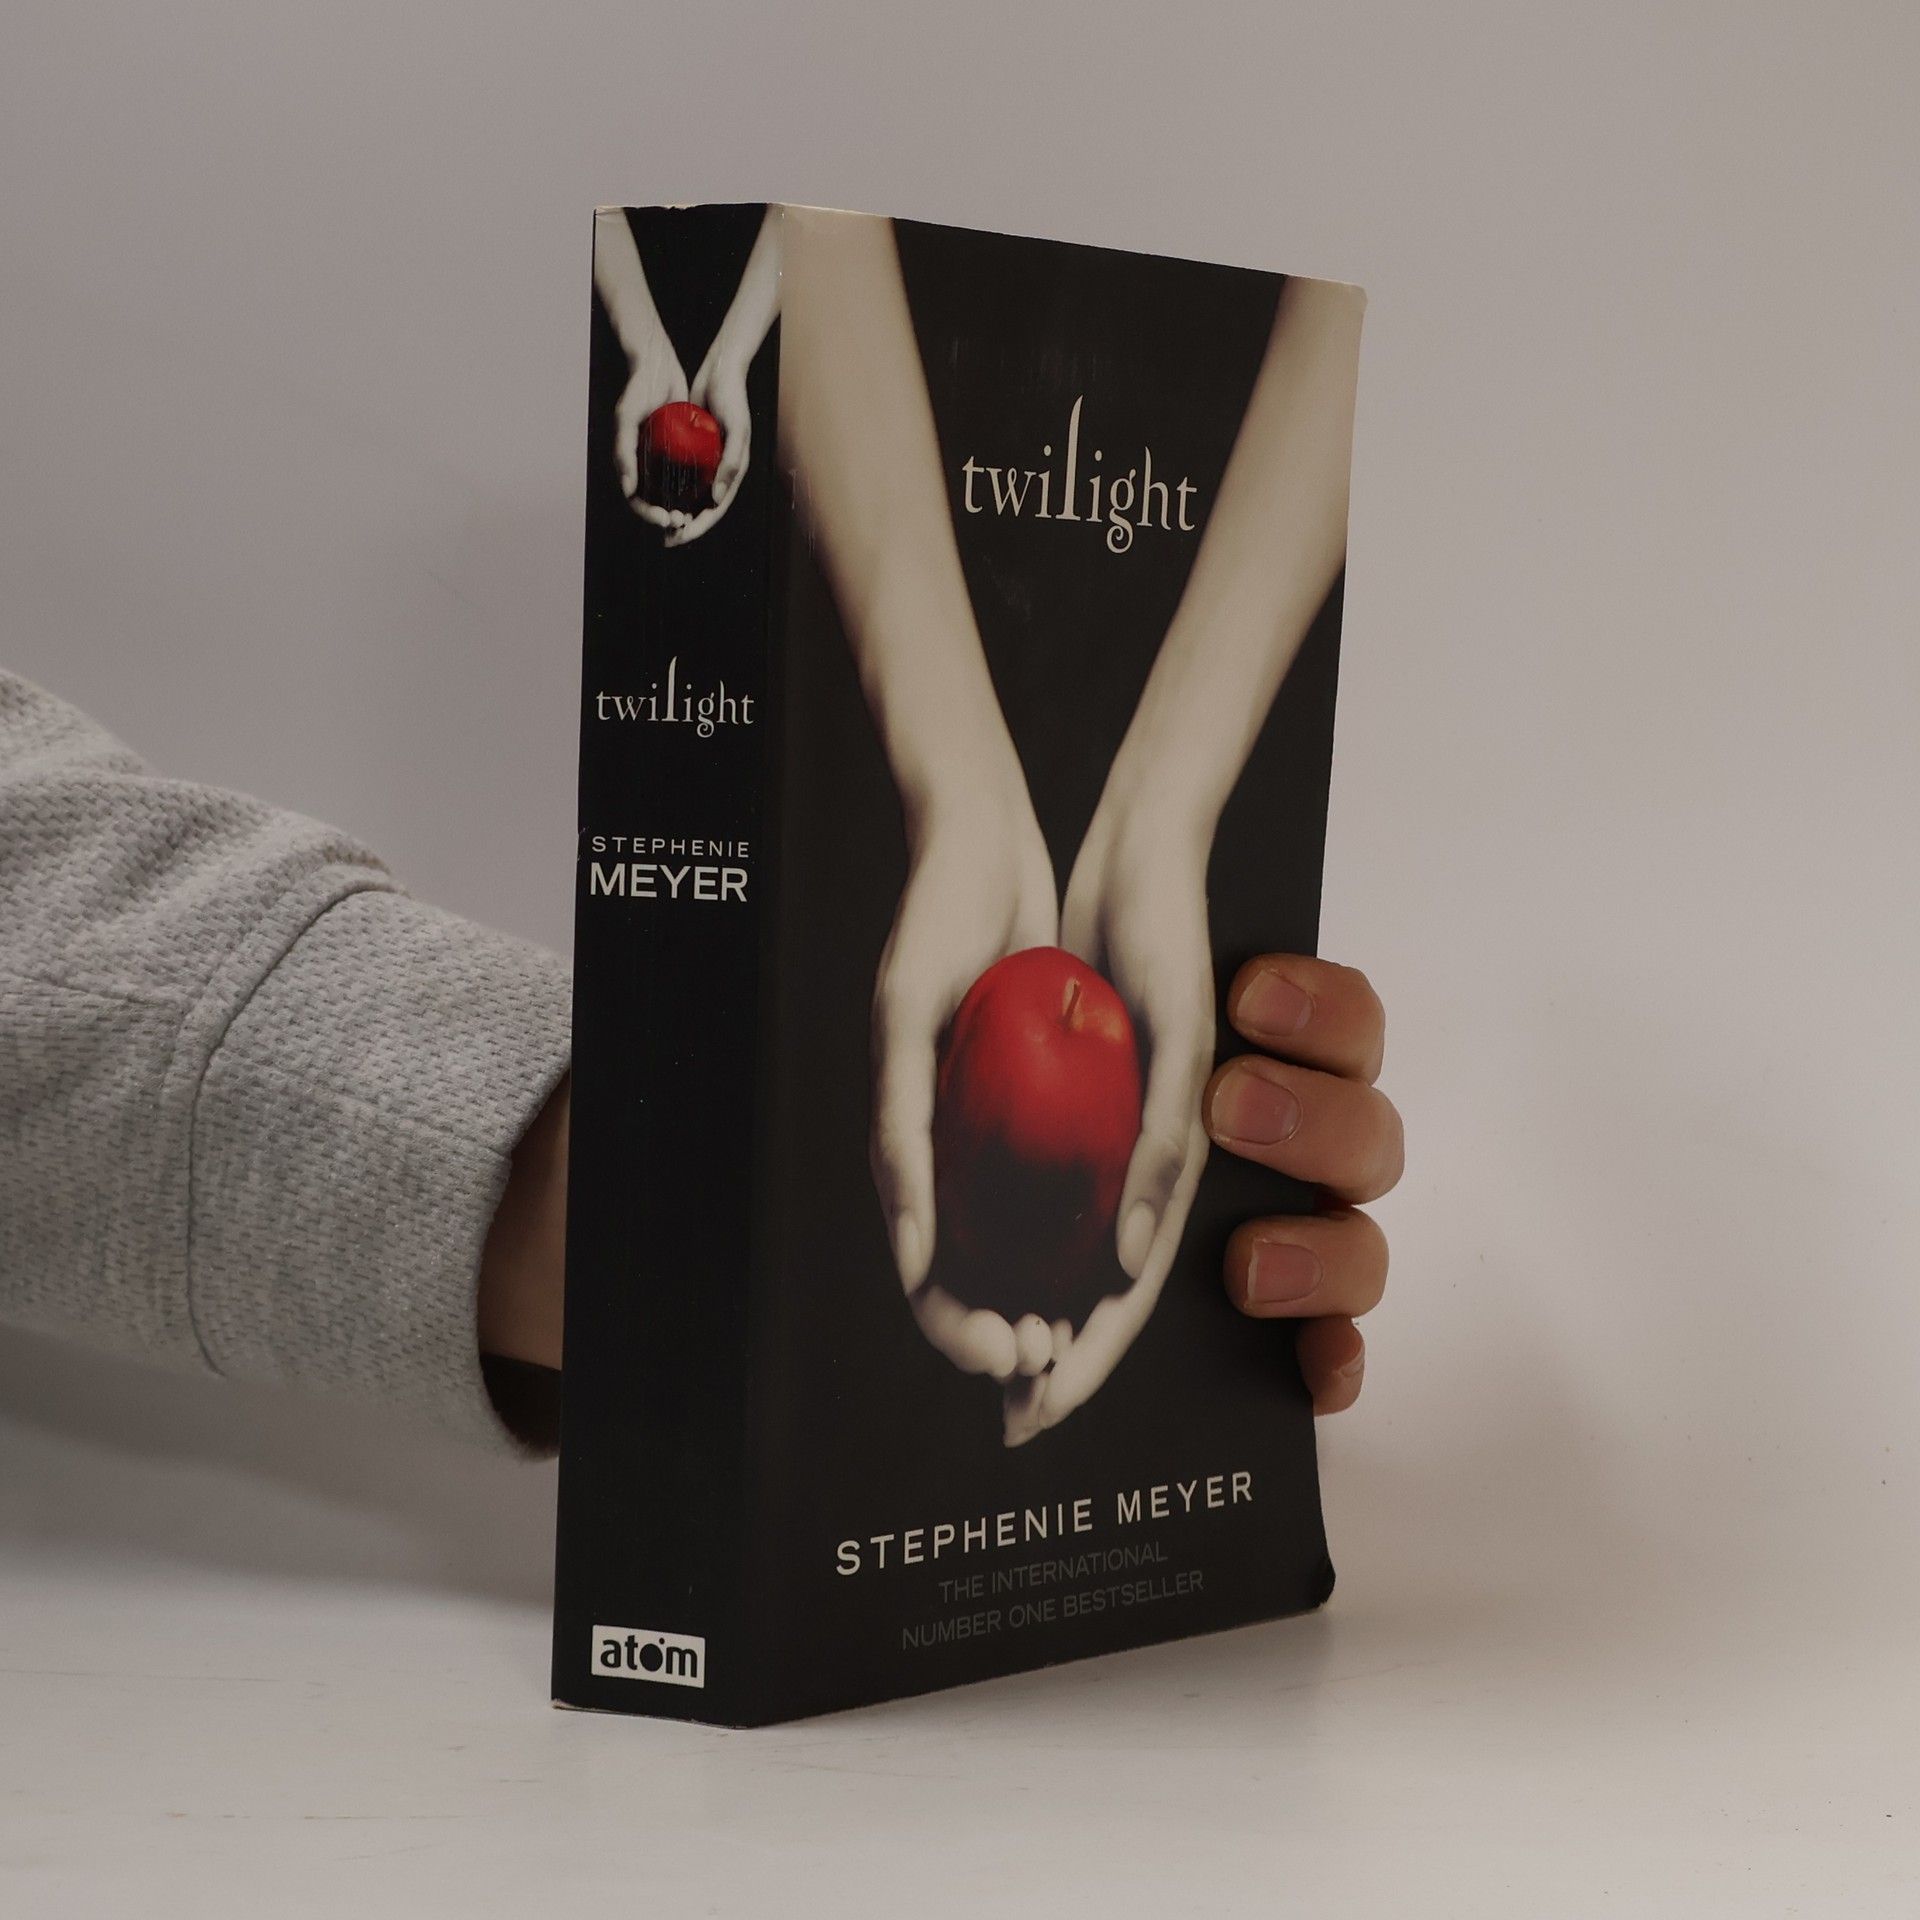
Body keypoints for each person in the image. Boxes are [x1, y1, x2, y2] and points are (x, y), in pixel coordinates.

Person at [0, 214, 1400, 1457]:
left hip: (1154, 631)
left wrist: (1168, 797)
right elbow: (799, 233)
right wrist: (637, 1195)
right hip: (837, 662)